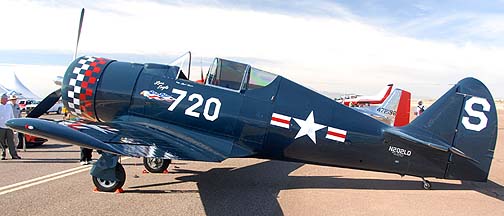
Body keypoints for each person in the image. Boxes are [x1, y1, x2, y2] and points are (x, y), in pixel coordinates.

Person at [0, 94, 21, 160]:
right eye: (5, 99)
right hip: (1, 126)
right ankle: (3, 155)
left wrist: (13, 125)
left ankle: (14, 155)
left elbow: (12, 115)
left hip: (9, 126)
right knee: (1, 142)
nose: (6, 100)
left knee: (11, 141)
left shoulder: (9, 106)